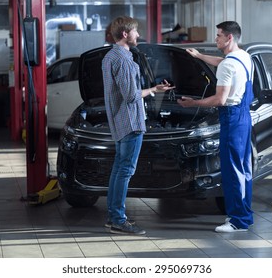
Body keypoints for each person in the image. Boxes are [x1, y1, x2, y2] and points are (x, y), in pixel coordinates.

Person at [178, 21, 254, 233]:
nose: (216, 39)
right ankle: (245, 216)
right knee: (244, 169)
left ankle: (237, 220)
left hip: (231, 118)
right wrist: (200, 56)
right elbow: (222, 62)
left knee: (231, 171)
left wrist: (193, 103)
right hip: (244, 117)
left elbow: (220, 100)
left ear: (229, 38)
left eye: (219, 35)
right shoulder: (243, 56)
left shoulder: (228, 66)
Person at [102, 16, 175, 235]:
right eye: (135, 32)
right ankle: (117, 219)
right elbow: (132, 96)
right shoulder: (123, 60)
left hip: (118, 120)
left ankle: (113, 215)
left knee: (119, 169)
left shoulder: (109, 56)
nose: (138, 35)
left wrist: (153, 88)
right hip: (131, 121)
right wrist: (152, 90)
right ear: (125, 34)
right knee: (125, 170)